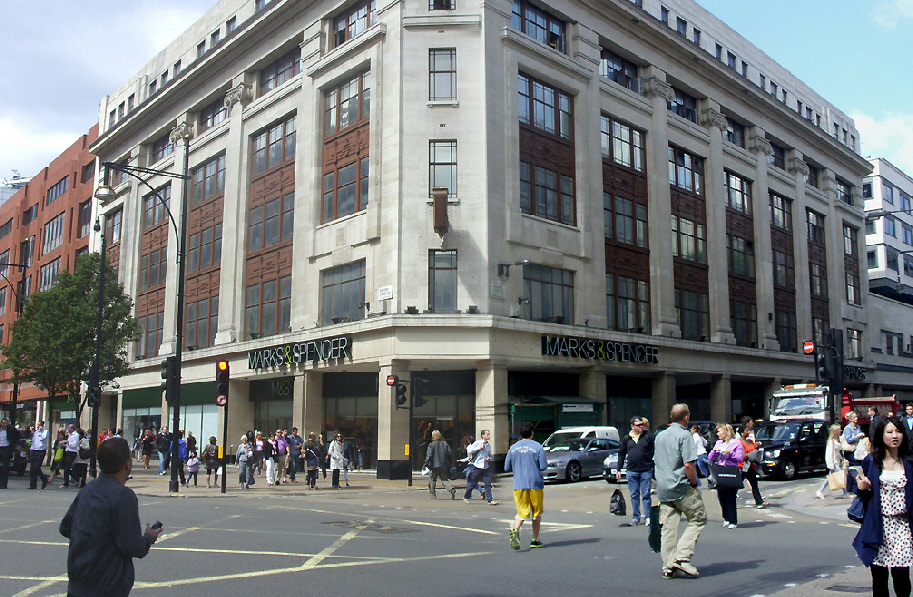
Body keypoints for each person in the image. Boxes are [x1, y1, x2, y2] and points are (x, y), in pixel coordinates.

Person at [59, 436, 162, 596]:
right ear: (127, 464)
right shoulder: (123, 496)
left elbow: (66, 528)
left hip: (78, 584)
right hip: (107, 586)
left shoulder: (88, 490)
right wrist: (148, 537)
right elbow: (132, 546)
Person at [851, 416, 913, 597]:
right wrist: (861, 487)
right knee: (879, 578)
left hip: (903, 526)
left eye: (898, 431)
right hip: (879, 525)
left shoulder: (909, 461)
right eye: (890, 432)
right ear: (881, 436)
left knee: (901, 575)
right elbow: (859, 487)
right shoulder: (872, 461)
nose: (895, 436)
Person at [653, 403, 706, 579]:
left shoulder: (660, 436)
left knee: (668, 527)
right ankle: (682, 558)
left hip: (663, 487)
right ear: (686, 417)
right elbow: (688, 464)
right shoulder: (685, 435)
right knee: (698, 517)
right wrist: (694, 484)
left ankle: (668, 566)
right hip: (681, 485)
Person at [504, 420, 548, 549]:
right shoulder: (537, 446)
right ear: (532, 433)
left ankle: (515, 530)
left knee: (521, 512)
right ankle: (535, 539)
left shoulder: (513, 448)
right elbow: (544, 466)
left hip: (519, 484)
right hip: (535, 484)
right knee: (536, 513)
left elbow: (506, 467)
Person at [616, 416, 654, 526]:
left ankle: (648, 517)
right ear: (632, 426)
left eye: (642, 424)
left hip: (645, 469)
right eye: (638, 425)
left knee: (646, 495)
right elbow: (621, 454)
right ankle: (636, 517)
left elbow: (655, 449)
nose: (641, 426)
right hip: (631, 471)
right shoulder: (627, 438)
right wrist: (619, 469)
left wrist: (653, 463)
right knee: (634, 495)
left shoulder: (648, 436)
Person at [709, 423, 744, 529]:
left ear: (726, 432)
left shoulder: (736, 443)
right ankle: (726, 518)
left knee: (730, 497)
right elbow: (710, 457)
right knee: (721, 497)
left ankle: (733, 520)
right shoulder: (718, 443)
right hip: (720, 471)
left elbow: (739, 458)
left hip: (731, 471)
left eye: (719, 431)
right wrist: (715, 451)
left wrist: (730, 453)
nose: (718, 434)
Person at [463, 429, 498, 506]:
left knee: (487, 483)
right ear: (483, 435)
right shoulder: (477, 443)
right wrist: (479, 448)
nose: (489, 436)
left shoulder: (488, 446)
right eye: (487, 434)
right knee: (473, 483)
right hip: (477, 466)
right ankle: (466, 496)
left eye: (489, 434)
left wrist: (489, 459)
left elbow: (491, 456)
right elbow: (469, 450)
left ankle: (490, 500)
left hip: (485, 467)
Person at [739, 420, 768, 509]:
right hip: (743, 466)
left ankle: (759, 502)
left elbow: (754, 448)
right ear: (741, 432)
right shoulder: (740, 442)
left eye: (749, 431)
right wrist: (753, 454)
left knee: (754, 484)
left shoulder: (750, 441)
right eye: (746, 431)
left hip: (751, 466)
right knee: (736, 485)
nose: (748, 432)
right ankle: (731, 502)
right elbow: (743, 456)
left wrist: (757, 447)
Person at [817, 423, 848, 499]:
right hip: (834, 462)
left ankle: (820, 491)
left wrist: (841, 458)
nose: (841, 430)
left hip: (837, 461)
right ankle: (845, 493)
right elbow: (829, 453)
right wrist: (830, 464)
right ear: (835, 431)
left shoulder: (837, 439)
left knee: (829, 478)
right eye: (839, 429)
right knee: (841, 476)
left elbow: (837, 452)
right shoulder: (831, 441)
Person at [424, 429, 456, 499]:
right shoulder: (445, 444)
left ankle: (432, 495)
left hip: (434, 465)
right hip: (443, 464)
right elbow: (450, 453)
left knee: (432, 480)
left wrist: (425, 464)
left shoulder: (431, 445)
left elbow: (429, 455)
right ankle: (450, 489)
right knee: (444, 479)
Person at [29, 420, 50, 490]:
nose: (38, 426)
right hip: (34, 450)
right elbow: (34, 441)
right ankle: (32, 485)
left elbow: (42, 439)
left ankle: (44, 479)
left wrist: (40, 432)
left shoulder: (45, 432)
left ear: (42, 425)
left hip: (41, 451)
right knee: (32, 469)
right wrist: (31, 449)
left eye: (39, 425)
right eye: (37, 425)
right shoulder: (35, 433)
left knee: (36, 467)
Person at [0, 418, 20, 489]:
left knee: (5, 467)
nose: (4, 425)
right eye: (3, 423)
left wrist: (13, 445)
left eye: (6, 423)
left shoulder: (10, 429)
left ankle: (4, 484)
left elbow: (17, 436)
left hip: (6, 449)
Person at [61, 424, 80, 488]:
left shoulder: (76, 435)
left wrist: (68, 442)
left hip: (72, 452)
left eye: (69, 428)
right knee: (66, 467)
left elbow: (74, 445)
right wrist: (65, 445)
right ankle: (76, 477)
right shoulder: (70, 435)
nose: (68, 429)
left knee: (67, 468)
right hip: (68, 451)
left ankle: (66, 483)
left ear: (72, 429)